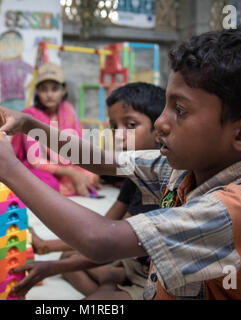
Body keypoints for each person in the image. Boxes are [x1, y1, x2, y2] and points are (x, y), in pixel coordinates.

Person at [0, 22, 241, 300]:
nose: (161, 122)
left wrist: (7, 168)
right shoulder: (186, 168)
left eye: (180, 110)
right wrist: (29, 126)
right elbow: (105, 161)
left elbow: (100, 240)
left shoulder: (239, 208)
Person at [17, 83, 165, 300]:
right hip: (129, 262)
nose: (119, 136)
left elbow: (106, 241)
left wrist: (50, 262)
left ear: (160, 130)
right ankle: (111, 282)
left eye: (131, 125)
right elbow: (106, 223)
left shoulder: (161, 179)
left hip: (150, 274)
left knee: (83, 277)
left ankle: (110, 286)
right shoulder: (134, 173)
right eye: (115, 127)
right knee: (69, 256)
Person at [10, 62, 100, 197]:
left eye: (54, 89)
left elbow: (78, 147)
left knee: (93, 174)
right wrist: (71, 173)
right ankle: (68, 186)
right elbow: (35, 161)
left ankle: (74, 184)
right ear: (37, 92)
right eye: (43, 89)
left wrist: (79, 170)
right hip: (39, 168)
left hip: (66, 165)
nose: (49, 94)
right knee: (49, 185)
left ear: (64, 90)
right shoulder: (30, 116)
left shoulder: (68, 109)